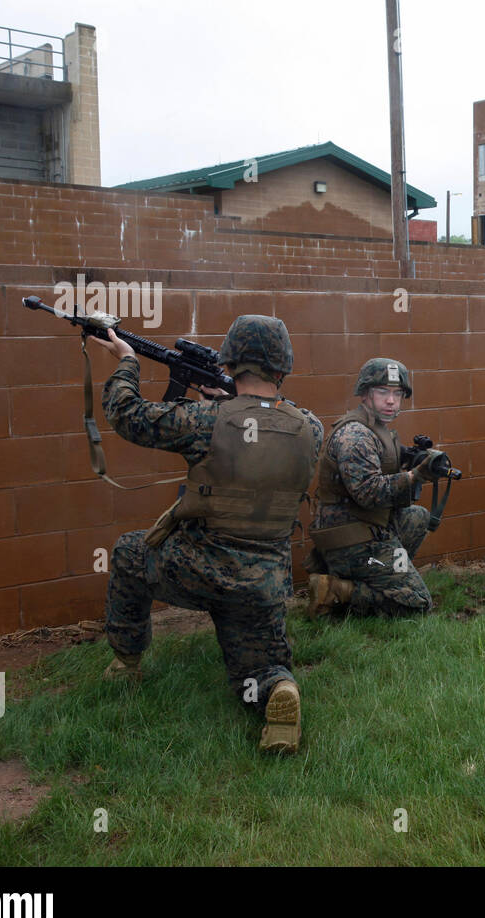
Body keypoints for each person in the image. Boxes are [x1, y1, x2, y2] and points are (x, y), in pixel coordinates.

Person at [96, 314, 323, 754]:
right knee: (255, 674)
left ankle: (126, 664)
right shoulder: (309, 429)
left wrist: (126, 362)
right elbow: (270, 418)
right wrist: (237, 399)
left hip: (198, 568)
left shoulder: (204, 420)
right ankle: (279, 691)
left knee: (128, 553)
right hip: (262, 584)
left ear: (231, 361)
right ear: (283, 368)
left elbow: (127, 415)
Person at [305, 359, 441, 618]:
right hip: (351, 540)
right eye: (383, 392)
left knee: (418, 517)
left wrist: (414, 459)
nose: (391, 401)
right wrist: (414, 475)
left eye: (397, 394)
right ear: (366, 394)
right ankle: (338, 590)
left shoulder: (377, 429)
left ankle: (383, 579)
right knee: (418, 603)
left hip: (365, 528)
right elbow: (369, 493)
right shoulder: (356, 435)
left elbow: (384, 466)